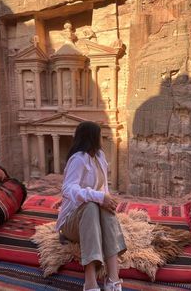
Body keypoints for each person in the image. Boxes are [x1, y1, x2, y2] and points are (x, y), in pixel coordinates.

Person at [56, 121, 127, 291]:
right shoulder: (78, 159)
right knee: (90, 205)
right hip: (71, 223)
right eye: (99, 135)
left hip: (93, 219)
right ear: (92, 137)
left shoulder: (100, 157)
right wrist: (98, 197)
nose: (102, 139)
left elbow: (103, 190)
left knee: (102, 206)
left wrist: (105, 200)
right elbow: (68, 188)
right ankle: (90, 280)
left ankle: (113, 278)